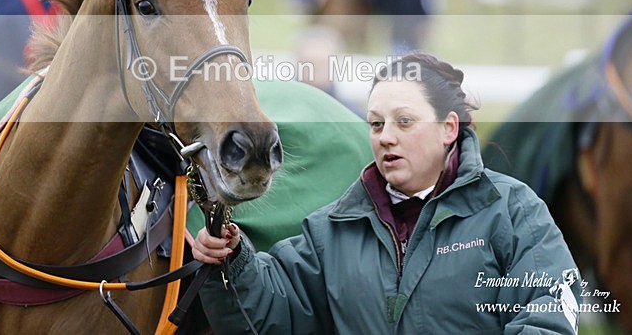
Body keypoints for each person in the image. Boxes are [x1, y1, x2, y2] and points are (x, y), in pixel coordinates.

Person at [192, 52, 582, 333]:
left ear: (449, 128)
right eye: (376, 124)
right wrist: (232, 260)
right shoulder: (331, 230)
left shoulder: (513, 211)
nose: (386, 137)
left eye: (404, 122)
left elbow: (549, 310)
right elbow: (272, 316)